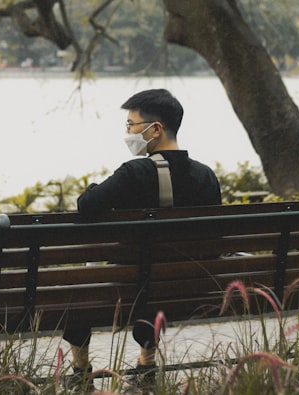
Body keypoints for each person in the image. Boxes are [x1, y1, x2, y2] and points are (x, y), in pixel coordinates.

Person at [63, 88, 221, 386]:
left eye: (132, 125)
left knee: (79, 289)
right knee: (154, 278)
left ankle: (80, 370)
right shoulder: (206, 176)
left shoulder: (134, 173)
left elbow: (87, 205)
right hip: (189, 287)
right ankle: (146, 363)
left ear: (156, 128)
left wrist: (95, 186)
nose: (128, 132)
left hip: (129, 289)